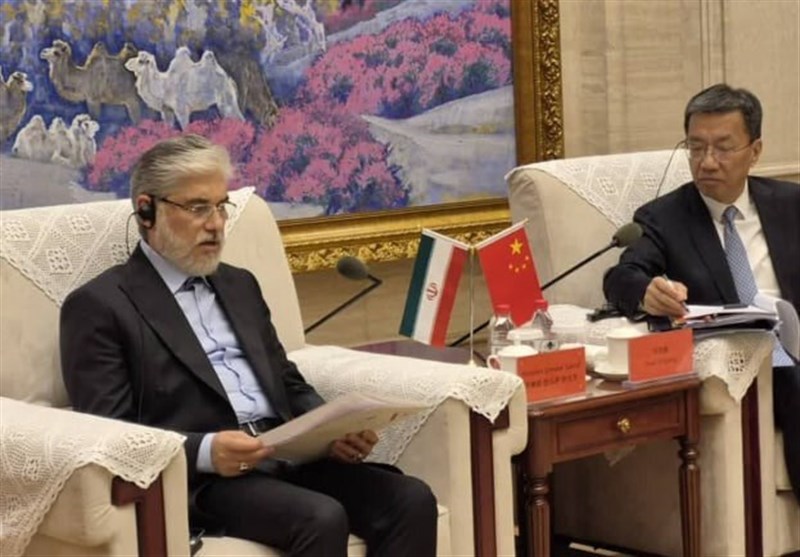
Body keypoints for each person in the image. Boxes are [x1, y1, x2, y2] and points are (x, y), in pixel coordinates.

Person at [60, 134, 438, 556]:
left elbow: (287, 381)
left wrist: (329, 430)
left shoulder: (239, 284)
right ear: (147, 211)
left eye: (221, 206)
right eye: (198, 208)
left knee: (410, 499)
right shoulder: (100, 306)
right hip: (206, 481)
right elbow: (108, 434)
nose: (216, 224)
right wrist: (205, 451)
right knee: (321, 517)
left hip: (285, 454)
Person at [603, 84, 800, 502]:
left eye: (723, 148)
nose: (707, 161)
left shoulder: (790, 204)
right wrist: (646, 291)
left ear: (755, 150)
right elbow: (621, 276)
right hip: (748, 355)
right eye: (695, 148)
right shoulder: (664, 217)